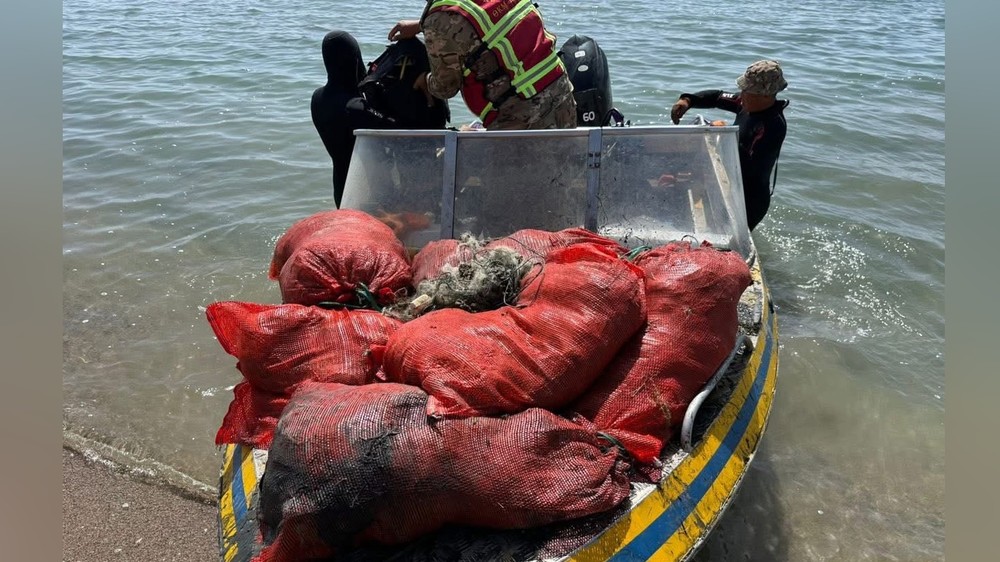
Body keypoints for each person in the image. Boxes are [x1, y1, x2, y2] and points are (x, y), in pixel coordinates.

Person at [387, 0, 577, 130]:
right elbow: (479, 17)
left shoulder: (439, 21)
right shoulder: (446, 17)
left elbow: (444, 88)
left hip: (521, 118)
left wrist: (425, 80)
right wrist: (422, 25)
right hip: (563, 98)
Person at [311, 31, 448, 207]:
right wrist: (425, 99)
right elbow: (403, 132)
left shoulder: (318, 98)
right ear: (354, 60)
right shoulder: (355, 107)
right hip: (367, 192)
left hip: (343, 188)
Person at [670, 60, 789, 231]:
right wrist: (687, 101)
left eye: (747, 91)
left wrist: (721, 134)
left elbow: (747, 163)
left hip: (749, 200)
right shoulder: (747, 104)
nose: (742, 95)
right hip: (729, 185)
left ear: (765, 95)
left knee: (727, 240)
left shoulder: (773, 126)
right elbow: (717, 97)